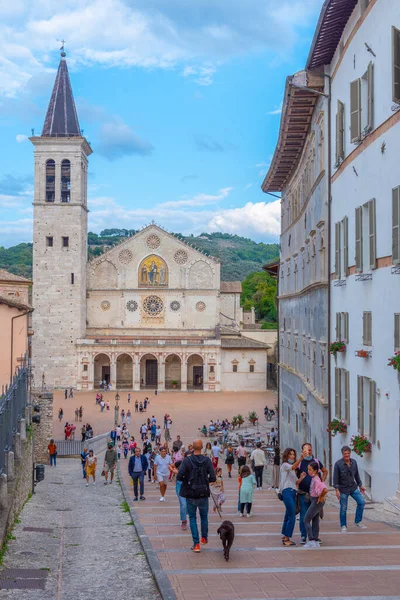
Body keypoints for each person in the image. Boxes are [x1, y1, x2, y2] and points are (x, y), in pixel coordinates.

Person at [177, 439, 216, 552]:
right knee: (204, 517)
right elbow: (213, 477)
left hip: (191, 493)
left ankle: (196, 544)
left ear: (192, 447)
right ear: (203, 447)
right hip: (203, 493)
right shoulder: (207, 460)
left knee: (192, 518)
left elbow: (179, 476)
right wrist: (205, 481)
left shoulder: (187, 460)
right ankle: (204, 537)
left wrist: (188, 480)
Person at [297, 442, 328, 544]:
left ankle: (315, 537)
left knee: (315, 517)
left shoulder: (316, 462)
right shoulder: (300, 463)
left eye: (310, 450)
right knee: (303, 516)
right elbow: (295, 475)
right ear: (302, 451)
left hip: (315, 495)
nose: (308, 452)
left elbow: (325, 471)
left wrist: (322, 482)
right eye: (306, 450)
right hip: (303, 493)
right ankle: (303, 536)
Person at [333, 445, 366, 532]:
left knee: (362, 502)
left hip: (353, 487)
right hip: (343, 489)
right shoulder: (338, 464)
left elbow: (357, 475)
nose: (347, 455)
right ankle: (343, 525)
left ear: (350, 453)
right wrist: (337, 490)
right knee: (343, 508)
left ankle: (358, 521)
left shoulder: (354, 462)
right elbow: (335, 478)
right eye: (345, 454)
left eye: (348, 453)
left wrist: (360, 485)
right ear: (342, 454)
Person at [280, 447, 304, 547]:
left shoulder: (291, 468)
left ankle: (284, 533)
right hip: (287, 491)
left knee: (288, 514)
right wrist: (301, 458)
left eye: (294, 455)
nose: (292, 456)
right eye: (290, 454)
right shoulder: (285, 465)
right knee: (292, 516)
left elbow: (295, 482)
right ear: (286, 455)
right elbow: (293, 467)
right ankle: (287, 537)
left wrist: (302, 477)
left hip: (293, 491)